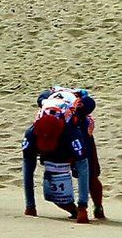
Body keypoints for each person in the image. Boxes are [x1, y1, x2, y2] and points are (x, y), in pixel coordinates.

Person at [37, 86, 104, 219]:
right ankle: (74, 211)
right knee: (55, 180)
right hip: (50, 134)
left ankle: (97, 207)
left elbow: (90, 103)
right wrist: (30, 206)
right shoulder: (41, 121)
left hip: (79, 132)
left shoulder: (78, 117)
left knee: (90, 175)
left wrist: (82, 206)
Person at [22, 104, 92, 223]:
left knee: (85, 168)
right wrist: (30, 207)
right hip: (51, 139)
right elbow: (27, 169)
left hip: (70, 132)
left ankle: (92, 207)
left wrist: (82, 206)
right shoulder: (31, 133)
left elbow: (83, 169)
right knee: (52, 189)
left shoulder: (72, 133)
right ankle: (31, 206)